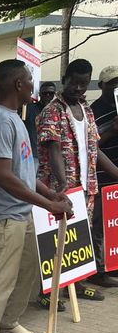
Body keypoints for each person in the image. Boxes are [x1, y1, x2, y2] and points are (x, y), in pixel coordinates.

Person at [0, 60, 73, 333]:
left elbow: (24, 171)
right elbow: (3, 176)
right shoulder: (1, 121)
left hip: (20, 212)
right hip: (2, 216)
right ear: (18, 85)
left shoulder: (15, 118)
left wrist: (50, 194)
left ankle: (7, 322)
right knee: (0, 277)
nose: (34, 84)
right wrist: (49, 205)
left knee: (27, 271)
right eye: (30, 79)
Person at [37, 59, 118, 295]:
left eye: (84, 84)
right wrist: (62, 184)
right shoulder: (52, 111)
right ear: (65, 81)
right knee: (55, 238)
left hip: (86, 185)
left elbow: (95, 147)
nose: (79, 89)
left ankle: (76, 285)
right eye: (75, 83)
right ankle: (48, 292)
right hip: (61, 187)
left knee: (79, 237)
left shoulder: (86, 110)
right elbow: (53, 148)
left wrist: (115, 172)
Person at [90, 65, 118, 282]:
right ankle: (98, 270)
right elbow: (92, 144)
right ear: (101, 85)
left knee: (115, 222)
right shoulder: (94, 110)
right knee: (100, 222)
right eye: (112, 82)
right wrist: (112, 130)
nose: (117, 86)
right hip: (103, 174)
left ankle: (113, 263)